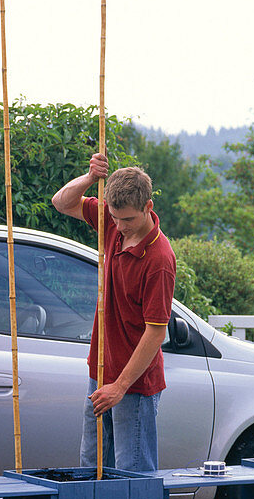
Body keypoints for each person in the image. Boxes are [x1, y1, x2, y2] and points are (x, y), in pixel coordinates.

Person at [51, 153, 176, 473]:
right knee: (91, 468)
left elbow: (156, 332)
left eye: (128, 220)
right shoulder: (111, 220)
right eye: (115, 218)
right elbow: (61, 202)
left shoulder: (159, 259)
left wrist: (119, 387)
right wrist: (90, 177)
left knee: (131, 475)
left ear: (148, 207)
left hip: (133, 387)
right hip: (99, 373)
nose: (119, 227)